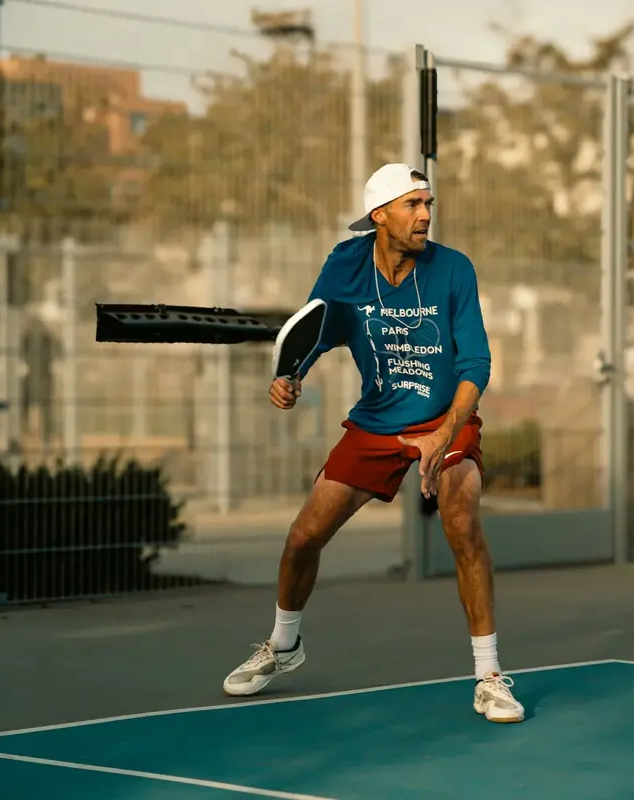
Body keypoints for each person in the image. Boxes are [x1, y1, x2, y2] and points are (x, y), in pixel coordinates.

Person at [221, 163, 525, 724]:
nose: (426, 215)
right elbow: (319, 328)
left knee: (463, 524)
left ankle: (489, 676)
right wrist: (292, 376)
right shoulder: (345, 264)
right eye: (413, 205)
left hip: (447, 417)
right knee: (303, 536)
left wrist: (444, 432)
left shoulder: (454, 269)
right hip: (377, 422)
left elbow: (476, 362)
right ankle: (283, 644)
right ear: (379, 216)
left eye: (428, 203)